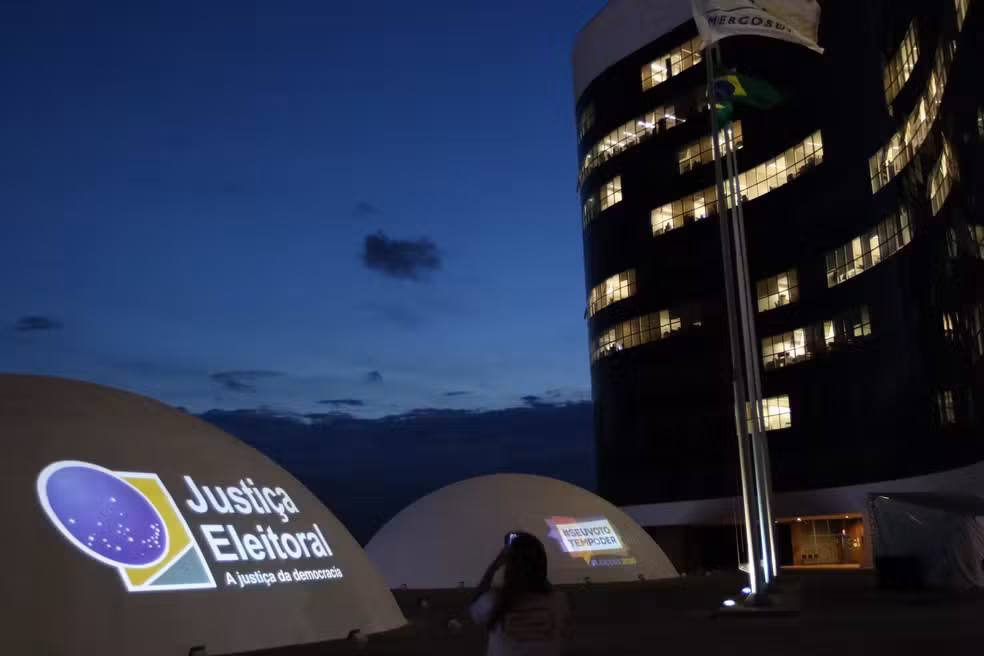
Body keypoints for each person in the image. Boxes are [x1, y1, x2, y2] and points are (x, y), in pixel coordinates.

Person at [469, 532, 569, 656]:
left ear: (509, 565)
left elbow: (473, 610)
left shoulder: (492, 601)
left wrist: (494, 566)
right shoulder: (558, 600)